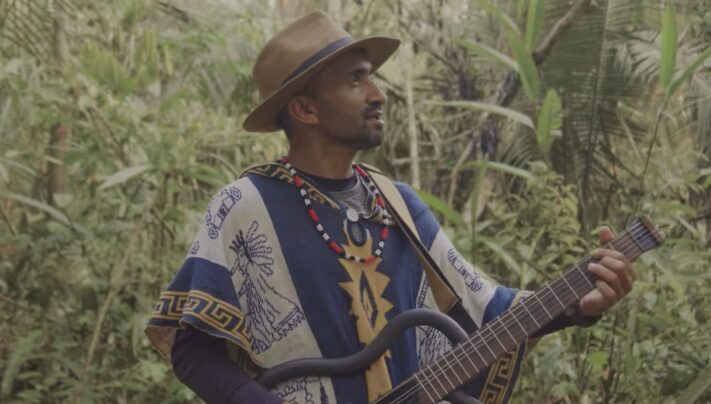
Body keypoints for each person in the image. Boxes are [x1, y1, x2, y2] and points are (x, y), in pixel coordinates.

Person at [145, 11, 637, 404]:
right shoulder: (244, 207)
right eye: (355, 81)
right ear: (305, 109)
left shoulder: (398, 202)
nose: (378, 95)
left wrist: (577, 304)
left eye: (372, 79)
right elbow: (192, 350)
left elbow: (485, 312)